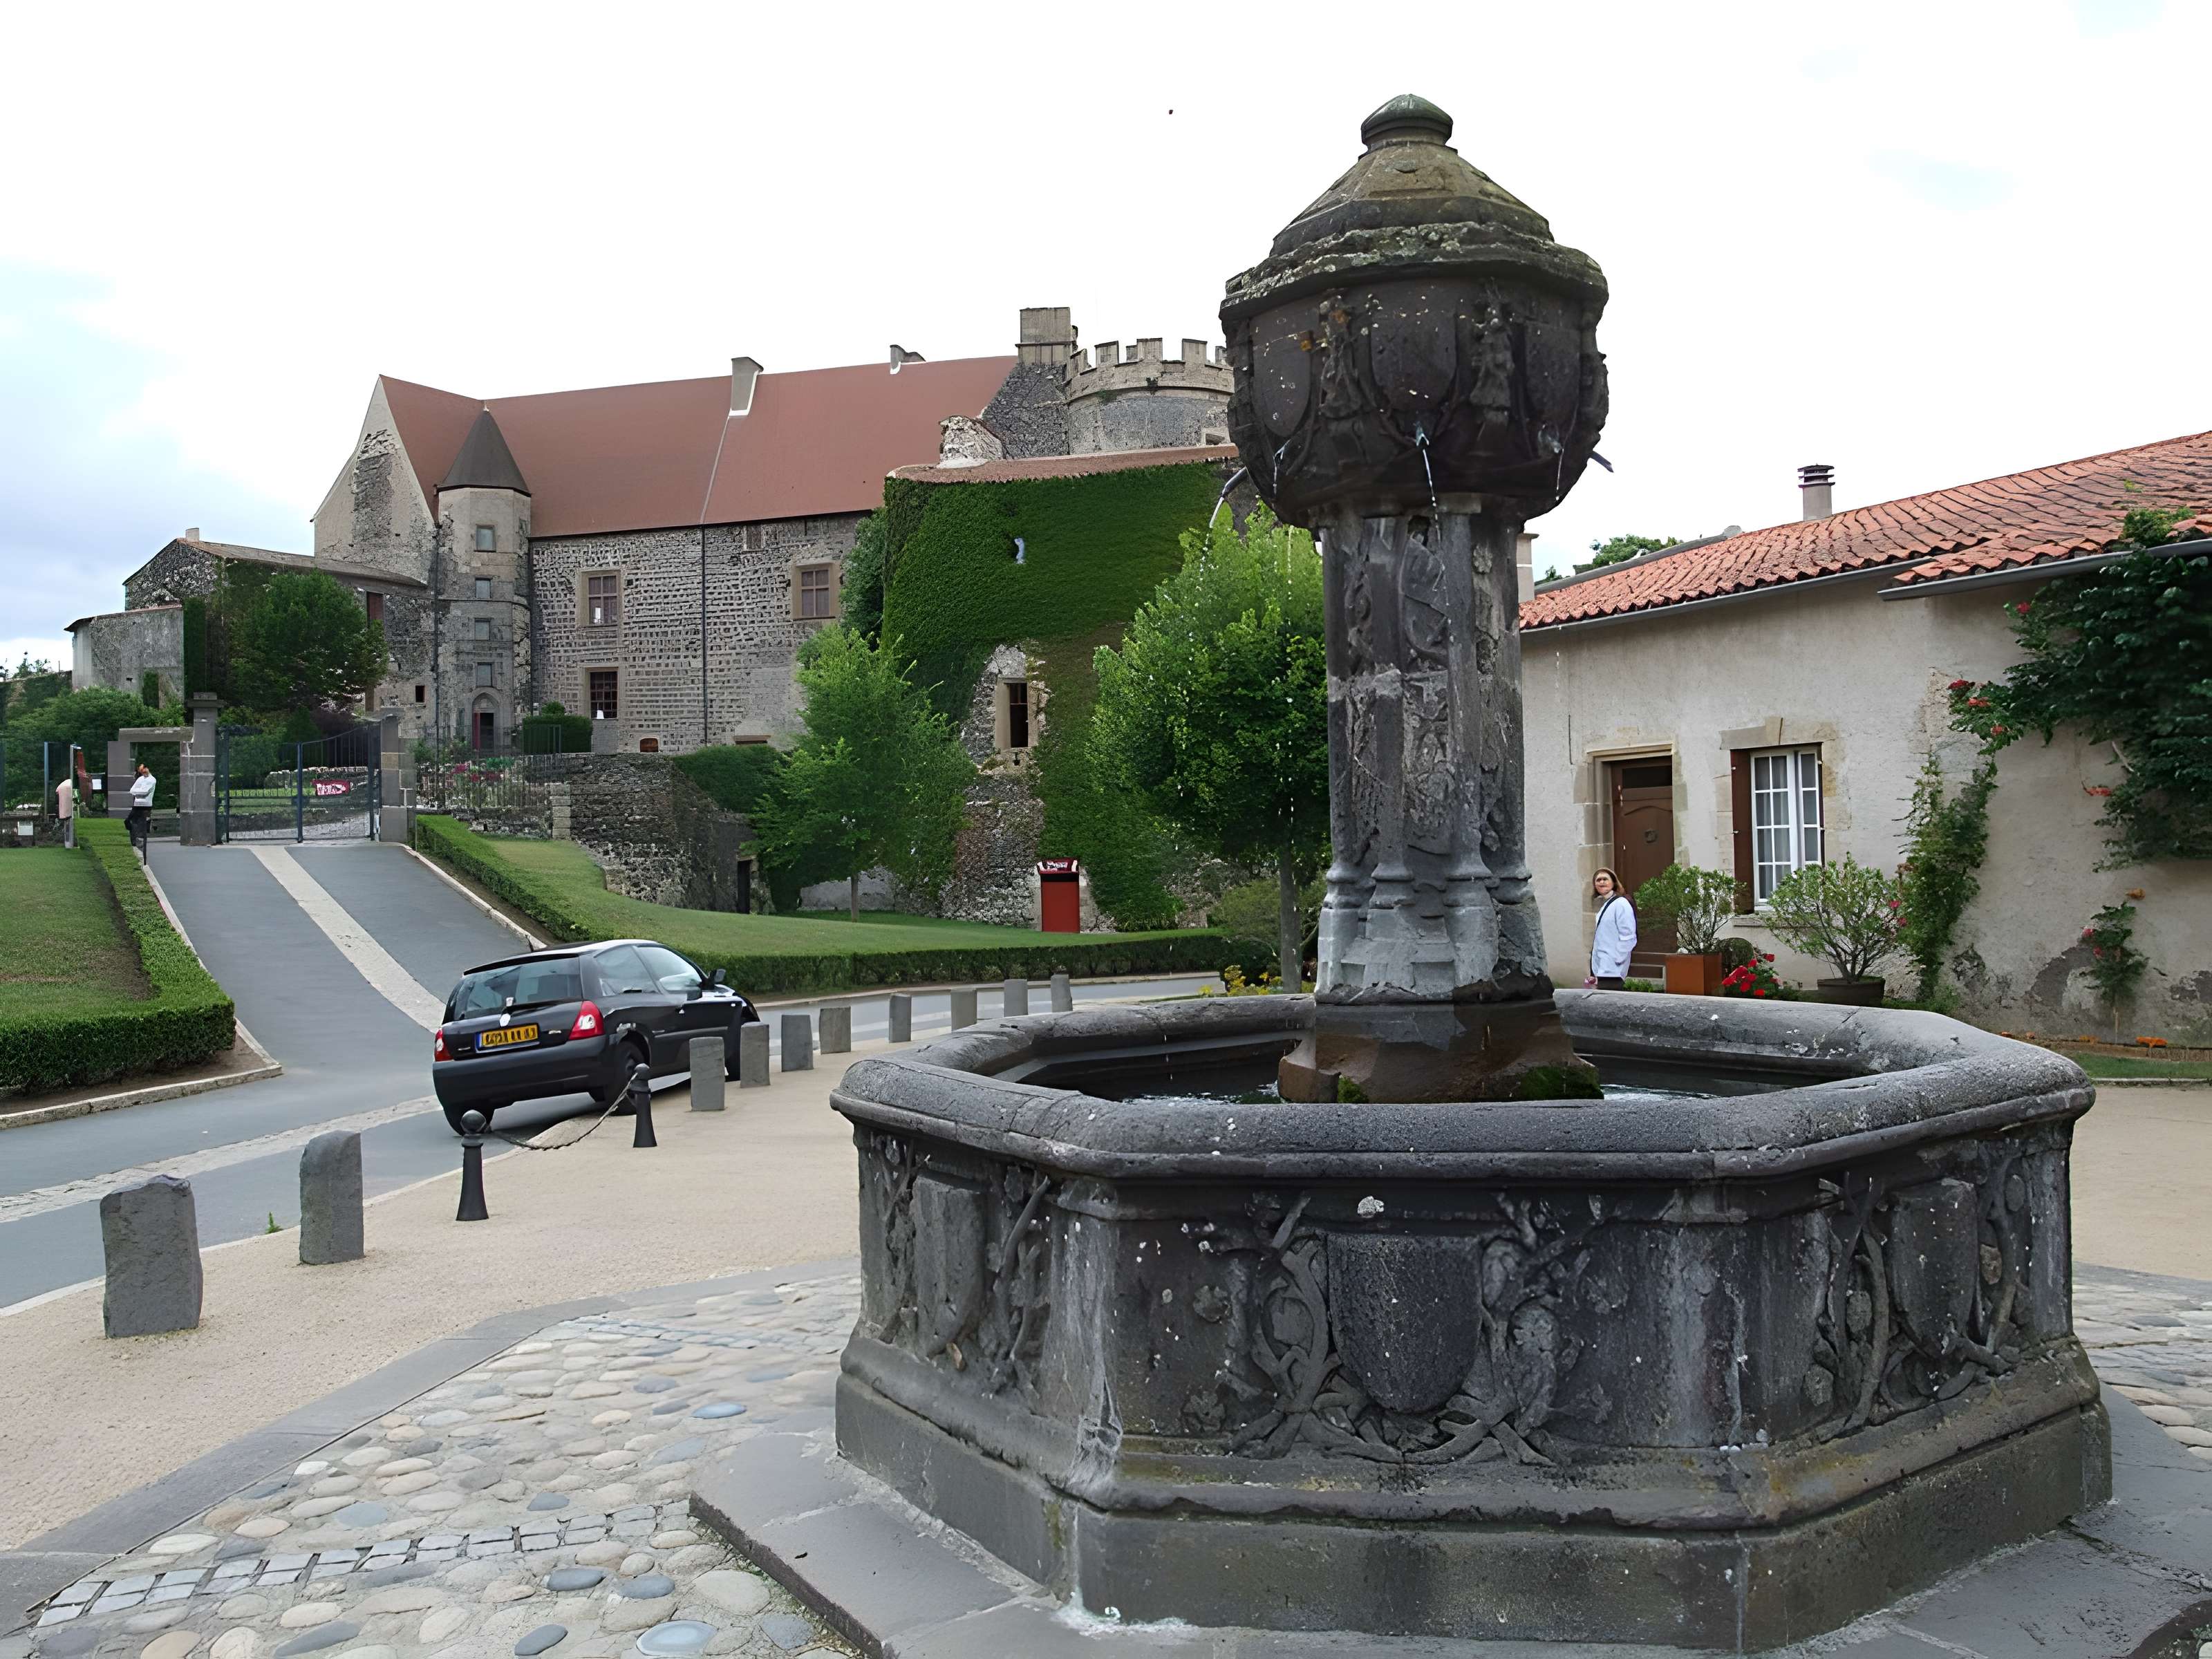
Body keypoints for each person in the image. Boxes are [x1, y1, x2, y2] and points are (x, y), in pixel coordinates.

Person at [1587, 866, 1637, 990]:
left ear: (1613, 882)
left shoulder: (1621, 903)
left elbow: (1629, 935)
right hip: (1602, 969)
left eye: (1605, 879)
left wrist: (1617, 959)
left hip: (1613, 970)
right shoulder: (1606, 905)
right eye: (1598, 880)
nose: (1602, 882)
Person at [126, 762, 156, 854]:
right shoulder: (140, 779)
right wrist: (139, 792)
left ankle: (139, 840)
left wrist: (138, 792)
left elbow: (145, 792)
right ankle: (135, 840)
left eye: (143, 770)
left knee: (141, 823)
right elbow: (132, 791)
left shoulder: (152, 780)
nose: (142, 772)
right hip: (137, 804)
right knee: (128, 821)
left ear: (147, 769)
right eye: (141, 770)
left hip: (146, 805)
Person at [54, 773, 75, 849]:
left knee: (67, 826)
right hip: (67, 813)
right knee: (67, 825)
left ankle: (68, 844)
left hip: (64, 813)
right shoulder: (67, 785)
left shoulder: (64, 785)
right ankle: (68, 844)